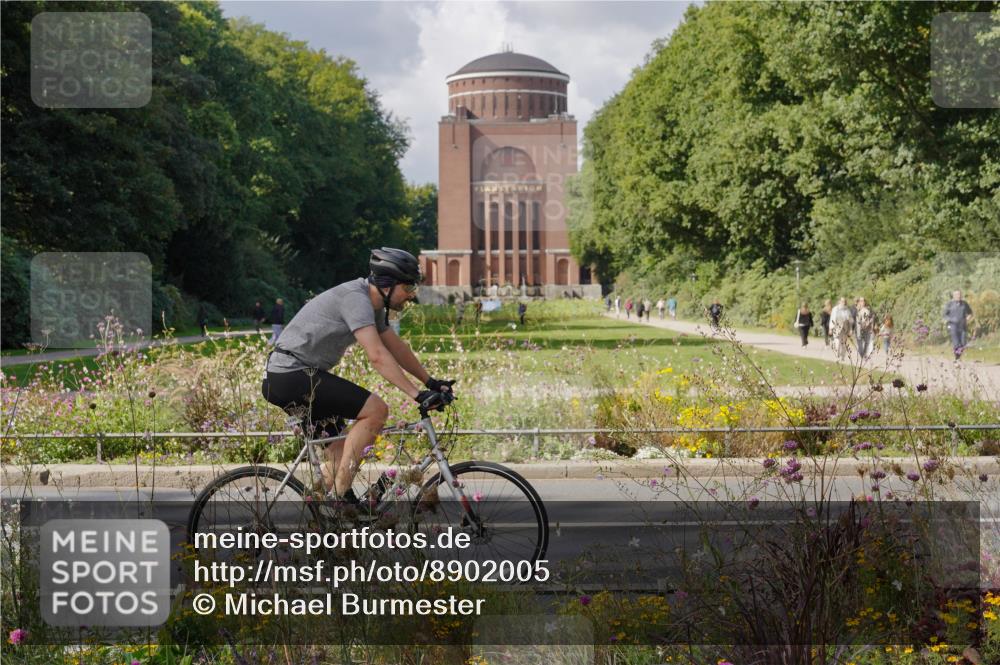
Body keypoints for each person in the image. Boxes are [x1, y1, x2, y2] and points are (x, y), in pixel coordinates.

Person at [261, 248, 454, 505]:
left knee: (341, 456)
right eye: (407, 287)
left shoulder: (372, 303)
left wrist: (430, 382)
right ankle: (341, 503)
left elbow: (395, 347)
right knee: (375, 410)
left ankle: (320, 518)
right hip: (291, 375)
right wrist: (417, 395)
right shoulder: (356, 299)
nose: (411, 295)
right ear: (388, 285)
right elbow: (376, 355)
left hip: (293, 377)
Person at [943, 290, 973, 360]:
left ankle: (958, 357)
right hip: (953, 326)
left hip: (963, 326)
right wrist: (951, 319)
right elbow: (945, 315)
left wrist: (968, 318)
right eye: (956, 295)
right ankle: (957, 358)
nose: (958, 296)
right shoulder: (949, 304)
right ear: (953, 296)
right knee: (956, 344)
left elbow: (970, 312)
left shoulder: (964, 304)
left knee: (963, 344)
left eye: (959, 294)